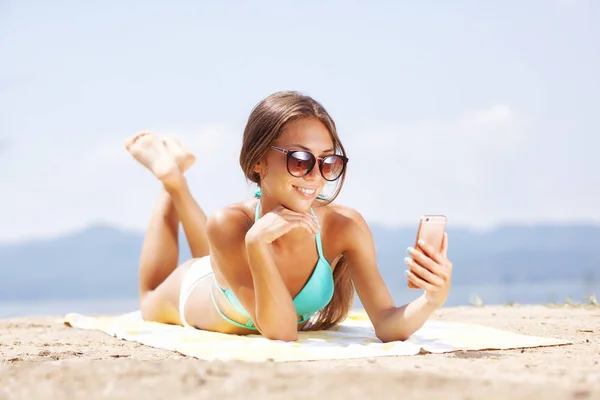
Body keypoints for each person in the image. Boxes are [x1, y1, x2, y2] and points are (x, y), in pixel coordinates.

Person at [125, 91, 453, 342]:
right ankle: (171, 181)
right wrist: (256, 242)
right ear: (258, 162)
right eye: (299, 160)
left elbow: (386, 322)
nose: (314, 176)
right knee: (148, 299)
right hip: (194, 292)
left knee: (210, 252)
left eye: (328, 162)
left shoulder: (345, 225)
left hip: (225, 262)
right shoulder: (231, 223)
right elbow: (281, 334)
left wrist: (430, 300)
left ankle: (175, 175)